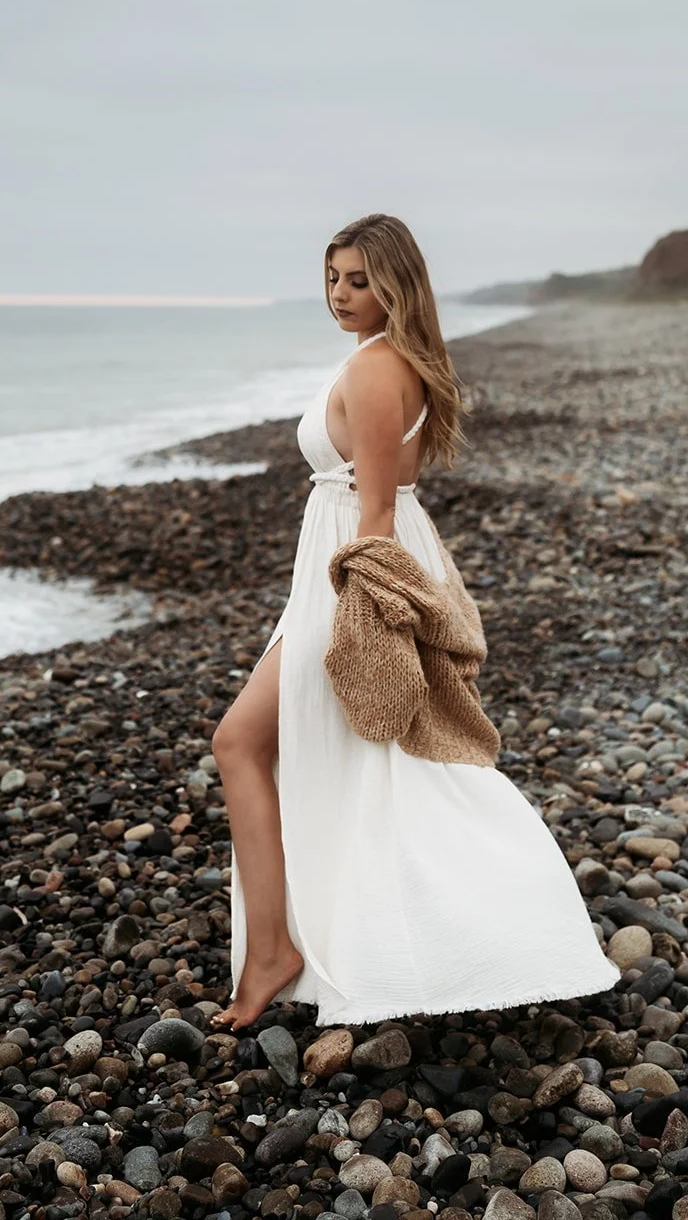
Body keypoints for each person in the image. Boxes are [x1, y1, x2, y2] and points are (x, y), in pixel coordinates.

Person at [209, 213, 620, 1031]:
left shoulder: (373, 369)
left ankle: (278, 953)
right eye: (332, 278)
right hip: (343, 568)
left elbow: (375, 511)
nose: (339, 294)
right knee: (379, 759)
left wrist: (364, 618)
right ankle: (295, 944)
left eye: (358, 280)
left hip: (355, 572)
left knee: (248, 743)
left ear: (396, 284)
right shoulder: (394, 358)